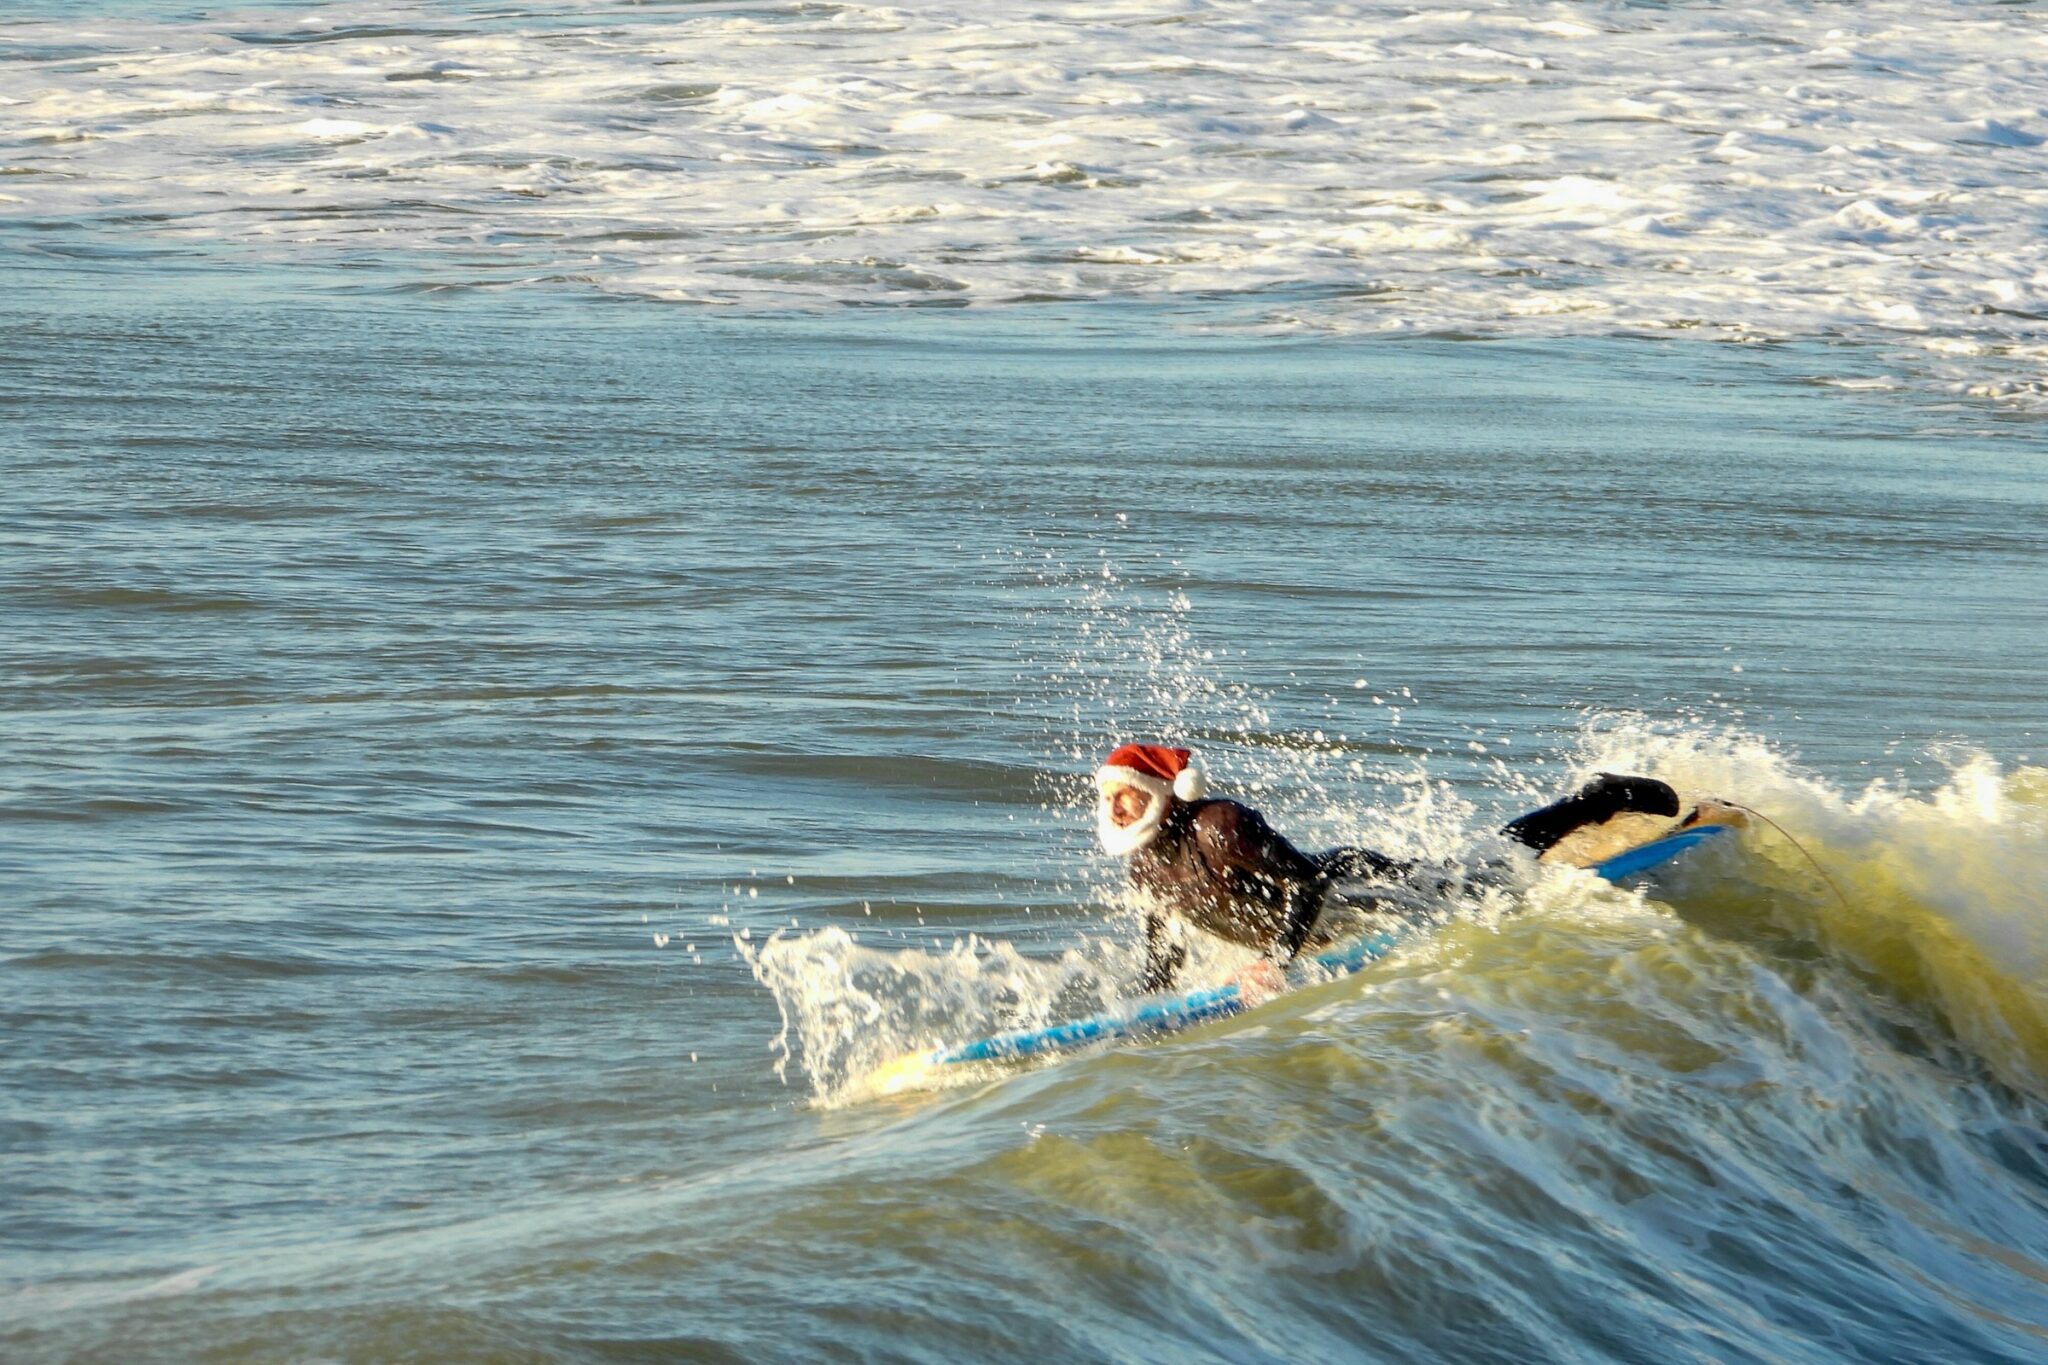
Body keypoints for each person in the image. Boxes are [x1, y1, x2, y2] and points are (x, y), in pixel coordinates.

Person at [1094, 742, 1710, 1000]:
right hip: (1326, 920)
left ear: (1165, 793)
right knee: (1482, 873)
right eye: (1110, 798)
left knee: (1488, 873)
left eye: (1128, 794)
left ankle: (1593, 801)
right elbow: (1165, 947)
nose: (1118, 808)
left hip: (1357, 884)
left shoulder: (1219, 826)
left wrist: (1277, 960)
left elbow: (1309, 883)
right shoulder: (1145, 866)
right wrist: (1149, 1006)